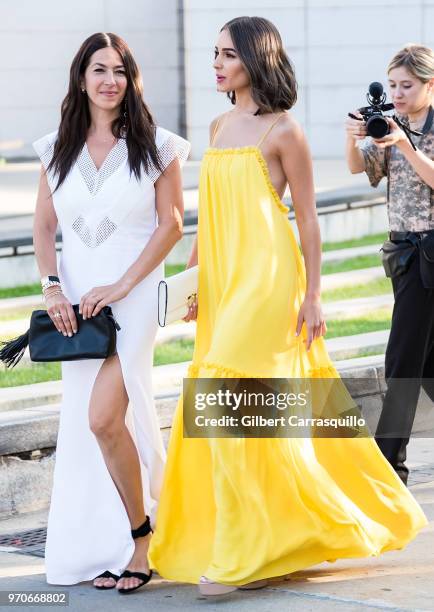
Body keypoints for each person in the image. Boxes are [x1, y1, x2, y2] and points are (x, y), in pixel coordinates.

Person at [148, 18, 428, 596]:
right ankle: (271, 539)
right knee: (246, 410)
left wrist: (315, 295)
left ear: (256, 57)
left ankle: (245, 550)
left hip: (271, 279)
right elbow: (211, 213)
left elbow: (307, 222)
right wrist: (194, 281)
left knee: (223, 392)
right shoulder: (220, 124)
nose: (218, 64)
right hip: (225, 280)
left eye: (228, 54)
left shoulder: (284, 131)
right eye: (215, 53)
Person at [32, 32, 190, 592]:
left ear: (131, 78)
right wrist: (52, 288)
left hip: (136, 292)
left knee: (103, 417)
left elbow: (172, 223)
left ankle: (142, 539)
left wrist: (123, 283)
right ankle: (105, 544)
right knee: (90, 422)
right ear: (81, 78)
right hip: (77, 302)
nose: (110, 80)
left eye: (120, 71)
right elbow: (46, 226)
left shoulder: (159, 145)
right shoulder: (56, 148)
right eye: (99, 70)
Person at [345, 44, 434, 485]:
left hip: (431, 252)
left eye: (407, 85)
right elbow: (361, 170)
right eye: (393, 85)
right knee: (428, 362)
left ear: (429, 84)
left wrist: (406, 144)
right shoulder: (390, 125)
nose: (397, 94)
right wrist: (354, 137)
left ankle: (387, 464)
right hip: (403, 254)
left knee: (401, 357)